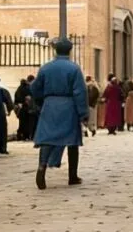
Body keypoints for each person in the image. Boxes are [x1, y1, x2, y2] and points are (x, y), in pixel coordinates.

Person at [31, 38, 88, 189]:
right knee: (72, 141)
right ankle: (72, 176)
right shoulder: (74, 69)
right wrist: (83, 113)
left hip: (50, 105)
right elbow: (80, 92)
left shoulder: (45, 68)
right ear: (70, 50)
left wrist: (42, 101)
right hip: (69, 106)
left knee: (47, 138)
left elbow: (35, 88)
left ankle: (42, 167)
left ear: (55, 50)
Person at [14, 75, 35, 141]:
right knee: (28, 123)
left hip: (21, 108)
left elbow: (16, 98)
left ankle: (20, 136)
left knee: (22, 123)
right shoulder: (29, 88)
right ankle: (27, 136)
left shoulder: (19, 88)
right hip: (27, 108)